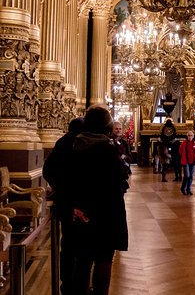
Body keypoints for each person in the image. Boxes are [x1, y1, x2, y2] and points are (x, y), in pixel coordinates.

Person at [70, 105, 129, 295]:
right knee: (104, 258)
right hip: (107, 212)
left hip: (82, 211)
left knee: (83, 259)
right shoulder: (107, 149)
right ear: (106, 126)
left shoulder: (75, 145)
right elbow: (119, 179)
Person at [43, 116, 85, 295]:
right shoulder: (83, 144)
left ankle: (66, 284)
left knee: (66, 244)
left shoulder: (61, 143)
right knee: (82, 246)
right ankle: (78, 284)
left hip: (64, 202)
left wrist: (59, 187)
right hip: (82, 203)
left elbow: (47, 171)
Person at [179, 131, 195, 196]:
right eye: (189, 135)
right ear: (187, 136)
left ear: (193, 136)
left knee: (191, 177)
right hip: (186, 162)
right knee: (187, 176)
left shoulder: (194, 143)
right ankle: (182, 188)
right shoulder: (184, 143)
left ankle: (188, 189)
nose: (190, 137)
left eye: (191, 135)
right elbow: (180, 151)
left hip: (192, 162)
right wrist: (183, 158)